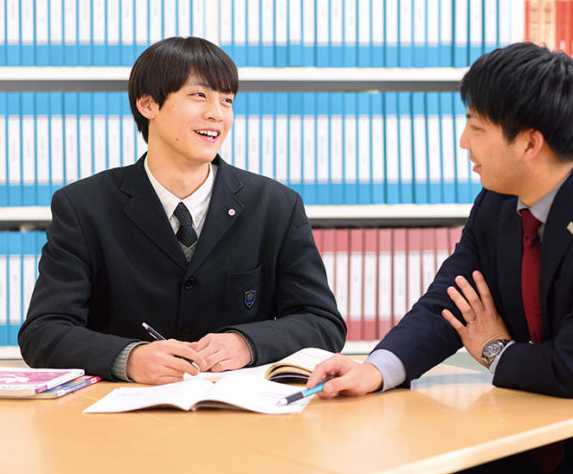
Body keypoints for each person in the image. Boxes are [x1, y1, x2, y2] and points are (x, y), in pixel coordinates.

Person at [307, 43, 573, 474]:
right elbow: (451, 301)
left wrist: (493, 348)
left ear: (529, 144)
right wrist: (376, 370)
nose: (464, 141)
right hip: (528, 431)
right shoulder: (497, 203)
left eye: (476, 127)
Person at [18, 37, 346, 384]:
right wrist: (127, 358)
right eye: (199, 96)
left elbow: (322, 322)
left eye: (227, 100)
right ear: (148, 104)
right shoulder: (84, 207)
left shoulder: (276, 206)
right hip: (121, 417)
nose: (216, 114)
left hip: (243, 416)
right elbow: (43, 332)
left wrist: (247, 343)